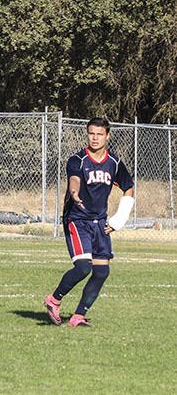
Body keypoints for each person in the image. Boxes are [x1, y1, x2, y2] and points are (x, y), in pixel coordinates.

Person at [44, 117, 134, 326]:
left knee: (102, 271)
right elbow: (74, 179)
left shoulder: (114, 163)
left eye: (99, 134)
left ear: (107, 136)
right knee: (84, 267)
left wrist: (119, 219)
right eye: (91, 133)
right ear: (87, 134)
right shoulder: (77, 160)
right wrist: (73, 192)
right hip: (77, 220)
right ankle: (53, 300)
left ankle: (78, 316)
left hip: (100, 222)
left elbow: (128, 187)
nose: (95, 138)